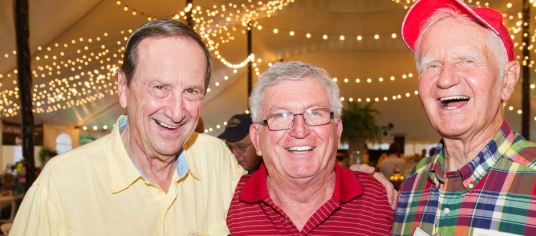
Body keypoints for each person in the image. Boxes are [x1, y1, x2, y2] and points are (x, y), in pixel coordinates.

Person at [10, 19, 246, 235]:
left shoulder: (217, 160)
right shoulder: (61, 183)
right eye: (160, 87)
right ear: (123, 87)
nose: (176, 112)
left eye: (191, 91)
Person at [393, 0, 536, 235]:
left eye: (467, 61)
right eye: (432, 65)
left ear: (507, 80)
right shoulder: (411, 185)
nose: (445, 79)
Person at [226, 61, 394, 234]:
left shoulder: (383, 202)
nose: (299, 130)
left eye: (315, 113)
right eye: (280, 115)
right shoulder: (223, 202)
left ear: (337, 131)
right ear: (256, 138)